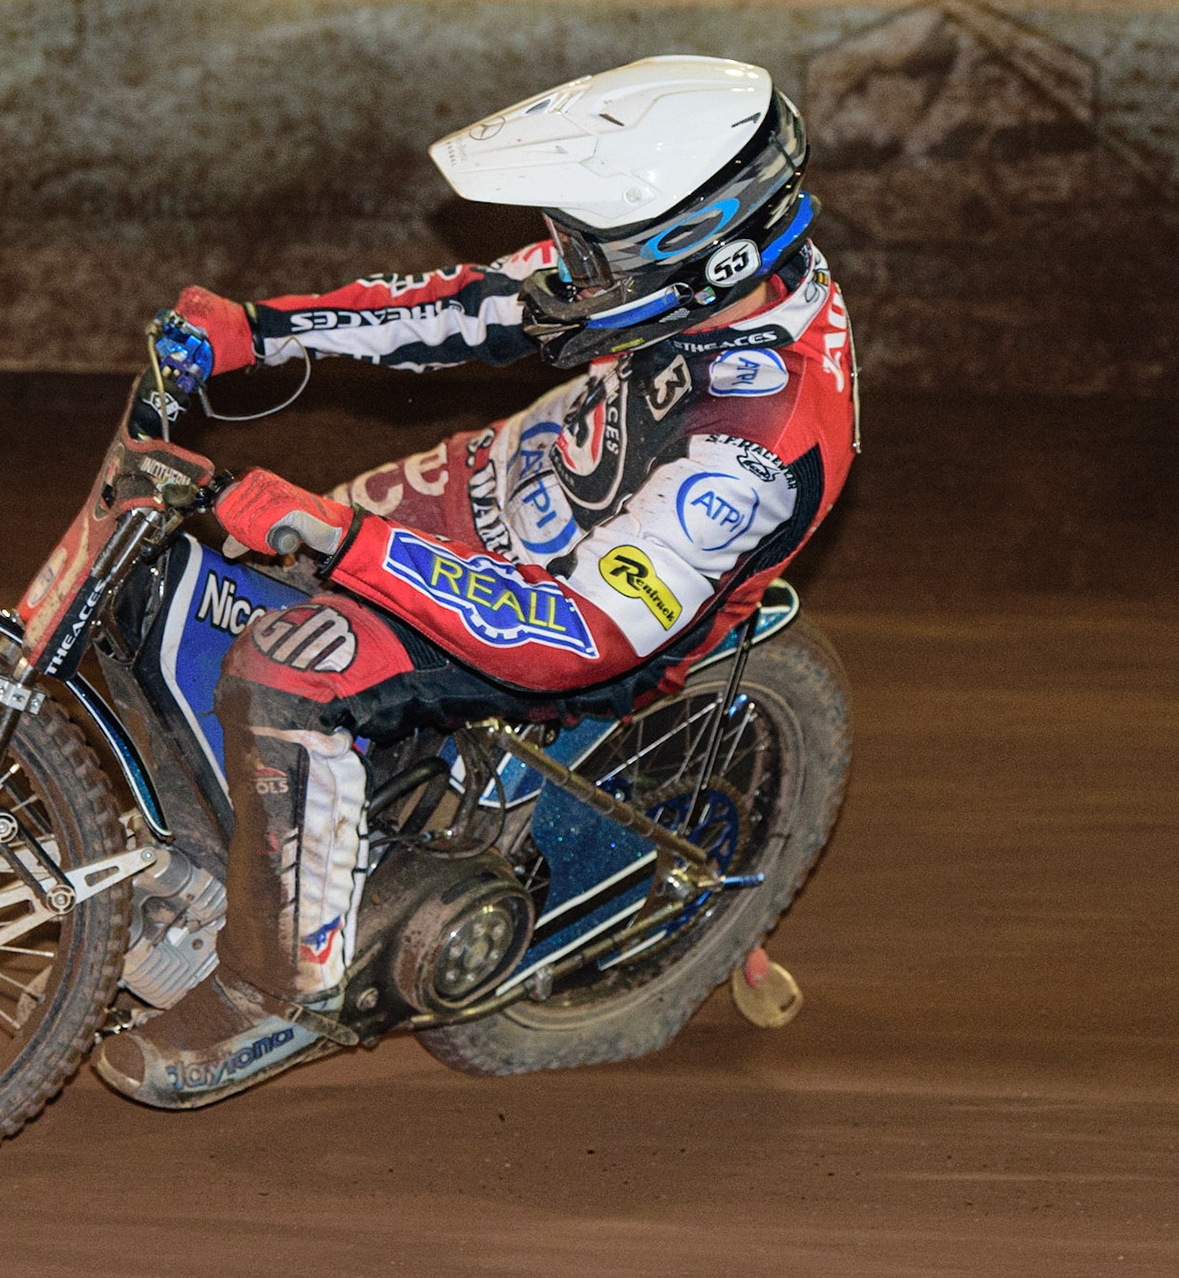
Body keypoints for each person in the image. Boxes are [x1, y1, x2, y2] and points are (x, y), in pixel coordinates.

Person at [93, 54, 858, 1108]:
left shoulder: (758, 440)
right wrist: (261, 330)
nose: (569, 268)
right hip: (504, 494)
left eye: (595, 252)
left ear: (701, 250)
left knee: (286, 669)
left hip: (577, 619)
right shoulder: (681, 270)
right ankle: (273, 837)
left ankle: (280, 989)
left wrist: (342, 539)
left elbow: (580, 633)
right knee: (203, 572)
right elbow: (476, 303)